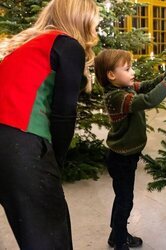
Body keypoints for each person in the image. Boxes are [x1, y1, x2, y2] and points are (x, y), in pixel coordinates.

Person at [0, 0, 99, 249]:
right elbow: (64, 113)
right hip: (20, 143)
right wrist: (57, 163)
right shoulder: (67, 45)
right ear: (82, 19)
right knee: (50, 240)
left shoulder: (26, 46)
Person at [94, 49, 166, 250]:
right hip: (120, 158)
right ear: (111, 75)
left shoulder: (126, 88)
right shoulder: (116, 97)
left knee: (122, 198)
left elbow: (146, 87)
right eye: (127, 69)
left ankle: (115, 235)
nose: (132, 72)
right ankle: (120, 242)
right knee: (125, 200)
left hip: (127, 156)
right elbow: (149, 100)